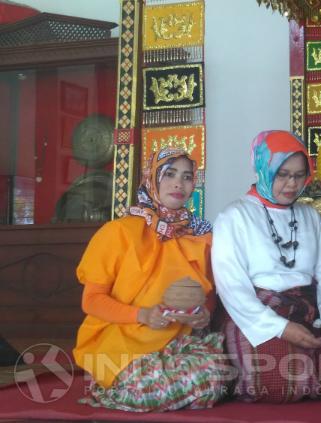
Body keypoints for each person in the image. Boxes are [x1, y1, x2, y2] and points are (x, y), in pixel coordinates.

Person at [212, 130, 321, 403]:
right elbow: (232, 287)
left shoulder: (311, 216)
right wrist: (280, 328)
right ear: (263, 168)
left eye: (299, 175)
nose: (292, 184)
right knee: (277, 380)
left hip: (305, 311)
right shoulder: (234, 216)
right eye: (282, 174)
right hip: (255, 315)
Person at [73, 147, 224, 412]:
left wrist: (203, 315)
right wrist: (142, 315)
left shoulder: (201, 237)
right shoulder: (118, 232)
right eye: (169, 174)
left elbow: (208, 296)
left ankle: (152, 388)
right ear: (151, 178)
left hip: (176, 342)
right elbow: (92, 300)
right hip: (121, 339)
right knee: (148, 389)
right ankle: (120, 385)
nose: (179, 183)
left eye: (187, 177)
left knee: (217, 378)